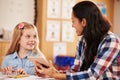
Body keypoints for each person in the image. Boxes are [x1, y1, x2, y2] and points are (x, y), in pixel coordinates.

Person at [35, 1, 120, 80]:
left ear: (83, 22)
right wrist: (53, 73)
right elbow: (75, 72)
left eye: (73, 21)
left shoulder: (111, 41)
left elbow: (93, 75)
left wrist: (54, 75)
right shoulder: (82, 41)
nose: (72, 25)